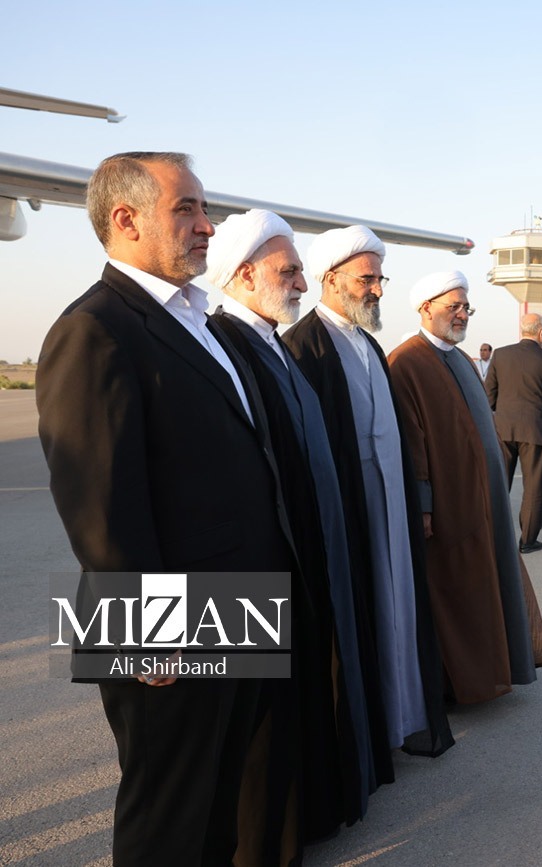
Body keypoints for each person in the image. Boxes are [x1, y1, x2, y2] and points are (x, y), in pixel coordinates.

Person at [36, 152, 295, 865]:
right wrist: (143, 631)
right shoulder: (94, 328)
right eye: (187, 210)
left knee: (217, 810)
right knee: (169, 819)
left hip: (235, 607)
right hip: (167, 625)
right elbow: (97, 498)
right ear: (126, 219)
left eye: (203, 210)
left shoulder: (194, 321)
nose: (208, 226)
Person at [206, 210, 377, 857]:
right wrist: (143, 639)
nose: (302, 281)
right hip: (253, 573)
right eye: (290, 269)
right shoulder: (222, 344)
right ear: (244, 273)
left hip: (301, 563)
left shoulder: (270, 340)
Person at [281, 225, 454, 767]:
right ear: (330, 279)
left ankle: (406, 719)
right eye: (367, 278)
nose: (378, 289)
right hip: (350, 515)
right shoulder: (302, 346)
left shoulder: (368, 342)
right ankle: (371, 733)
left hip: (390, 510)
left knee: (399, 607)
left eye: (380, 278)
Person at [388, 271, 542, 702]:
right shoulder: (406, 362)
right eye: (454, 307)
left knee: (492, 585)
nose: (463, 315)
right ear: (426, 309)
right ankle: (463, 683)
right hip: (450, 507)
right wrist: (424, 505)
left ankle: (498, 670)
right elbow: (412, 442)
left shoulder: (459, 358)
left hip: (486, 500)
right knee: (457, 593)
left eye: (467, 307)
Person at [488, 313, 542, 553]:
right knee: (533, 487)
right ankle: (527, 541)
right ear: (540, 333)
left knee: (499, 485)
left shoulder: (500, 355)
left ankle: (493, 539)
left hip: (503, 430)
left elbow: (488, 396)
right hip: (534, 431)